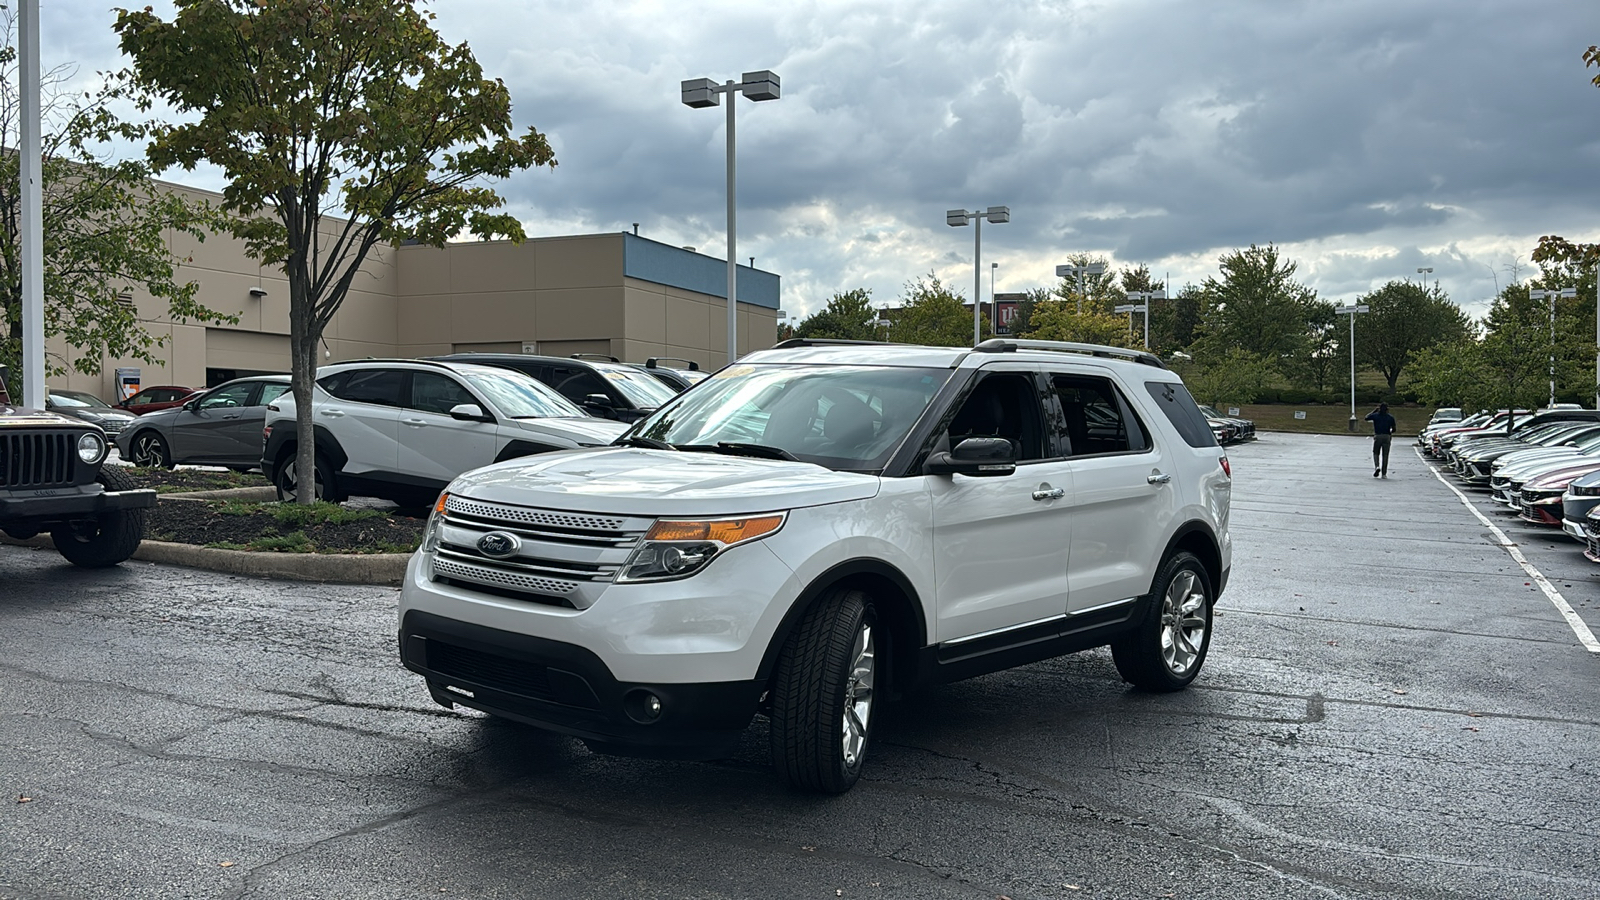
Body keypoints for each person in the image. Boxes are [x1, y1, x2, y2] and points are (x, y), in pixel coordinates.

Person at [1366, 403, 1396, 477]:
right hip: (1386, 436)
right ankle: (1384, 473)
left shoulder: (1376, 416)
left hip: (1378, 435)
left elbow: (1366, 418)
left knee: (1376, 452)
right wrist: (1390, 433)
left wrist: (1374, 411)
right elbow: (1394, 429)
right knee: (1385, 455)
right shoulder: (1390, 417)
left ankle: (1377, 466)